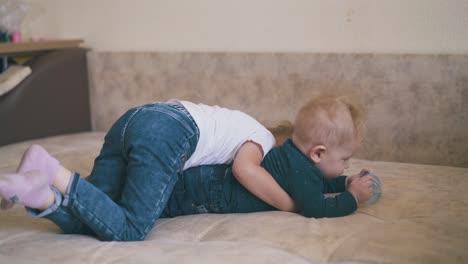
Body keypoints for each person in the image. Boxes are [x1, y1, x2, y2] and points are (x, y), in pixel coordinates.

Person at [0, 100, 295, 241]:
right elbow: (246, 171)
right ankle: (52, 171)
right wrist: (292, 205)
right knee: (131, 229)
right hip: (169, 133)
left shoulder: (238, 123)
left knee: (96, 211)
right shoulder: (264, 140)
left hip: (135, 118)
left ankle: (41, 195)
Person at [164, 95, 375, 218]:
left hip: (212, 180)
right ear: (318, 153)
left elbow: (319, 183)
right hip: (213, 193)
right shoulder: (300, 171)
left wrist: (347, 182)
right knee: (166, 203)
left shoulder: (296, 158)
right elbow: (316, 207)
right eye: (344, 159)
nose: (347, 165)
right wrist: (353, 197)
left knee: (167, 189)